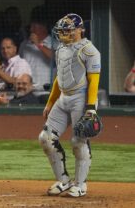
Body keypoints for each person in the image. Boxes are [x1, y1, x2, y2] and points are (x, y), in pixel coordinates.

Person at [38, 13, 101, 197]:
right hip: (63, 98)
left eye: (69, 29)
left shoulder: (89, 50)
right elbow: (59, 78)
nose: (64, 32)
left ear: (80, 30)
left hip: (81, 99)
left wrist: (91, 108)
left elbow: (94, 80)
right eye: (63, 29)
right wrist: (50, 102)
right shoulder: (61, 49)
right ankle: (63, 180)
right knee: (46, 138)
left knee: (78, 140)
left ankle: (80, 185)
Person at [19, 19, 56, 91]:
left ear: (43, 28)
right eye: (30, 27)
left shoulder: (55, 43)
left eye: (34, 27)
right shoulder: (24, 44)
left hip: (46, 90)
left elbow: (55, 57)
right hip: (27, 90)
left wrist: (38, 44)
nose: (31, 29)